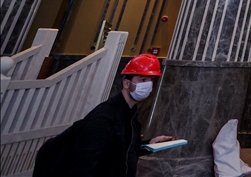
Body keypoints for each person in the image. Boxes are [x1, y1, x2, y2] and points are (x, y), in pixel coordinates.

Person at [32, 53, 173, 177]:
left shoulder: (130, 115)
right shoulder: (104, 118)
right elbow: (83, 164)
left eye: (151, 80)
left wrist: (149, 144)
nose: (148, 85)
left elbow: (119, 149)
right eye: (142, 80)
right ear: (126, 83)